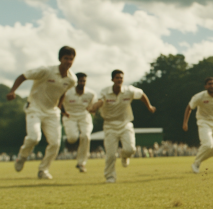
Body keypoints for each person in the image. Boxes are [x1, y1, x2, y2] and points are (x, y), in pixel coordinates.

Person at [6, 46, 78, 179]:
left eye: (71, 59)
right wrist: (12, 91)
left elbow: (63, 91)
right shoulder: (45, 70)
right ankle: (22, 156)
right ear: (60, 59)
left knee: (55, 144)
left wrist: (60, 108)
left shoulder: (72, 79)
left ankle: (43, 170)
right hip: (35, 108)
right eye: (66, 58)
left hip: (52, 112)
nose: (68, 61)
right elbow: (23, 76)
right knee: (34, 137)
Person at [87, 70, 155, 183]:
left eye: (121, 78)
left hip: (125, 123)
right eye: (117, 78)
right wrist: (94, 108)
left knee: (131, 149)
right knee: (110, 154)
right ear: (112, 79)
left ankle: (125, 156)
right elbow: (100, 102)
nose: (119, 80)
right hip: (109, 125)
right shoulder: (105, 92)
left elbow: (142, 94)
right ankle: (110, 176)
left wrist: (149, 106)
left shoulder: (129, 90)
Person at [61, 72, 96, 173]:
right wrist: (63, 111)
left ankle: (81, 163)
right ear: (76, 81)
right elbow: (59, 102)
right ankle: (74, 145)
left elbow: (93, 106)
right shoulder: (67, 92)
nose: (82, 83)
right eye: (80, 81)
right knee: (72, 138)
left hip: (84, 116)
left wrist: (92, 110)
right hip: (69, 115)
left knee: (86, 136)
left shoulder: (91, 93)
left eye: (84, 81)